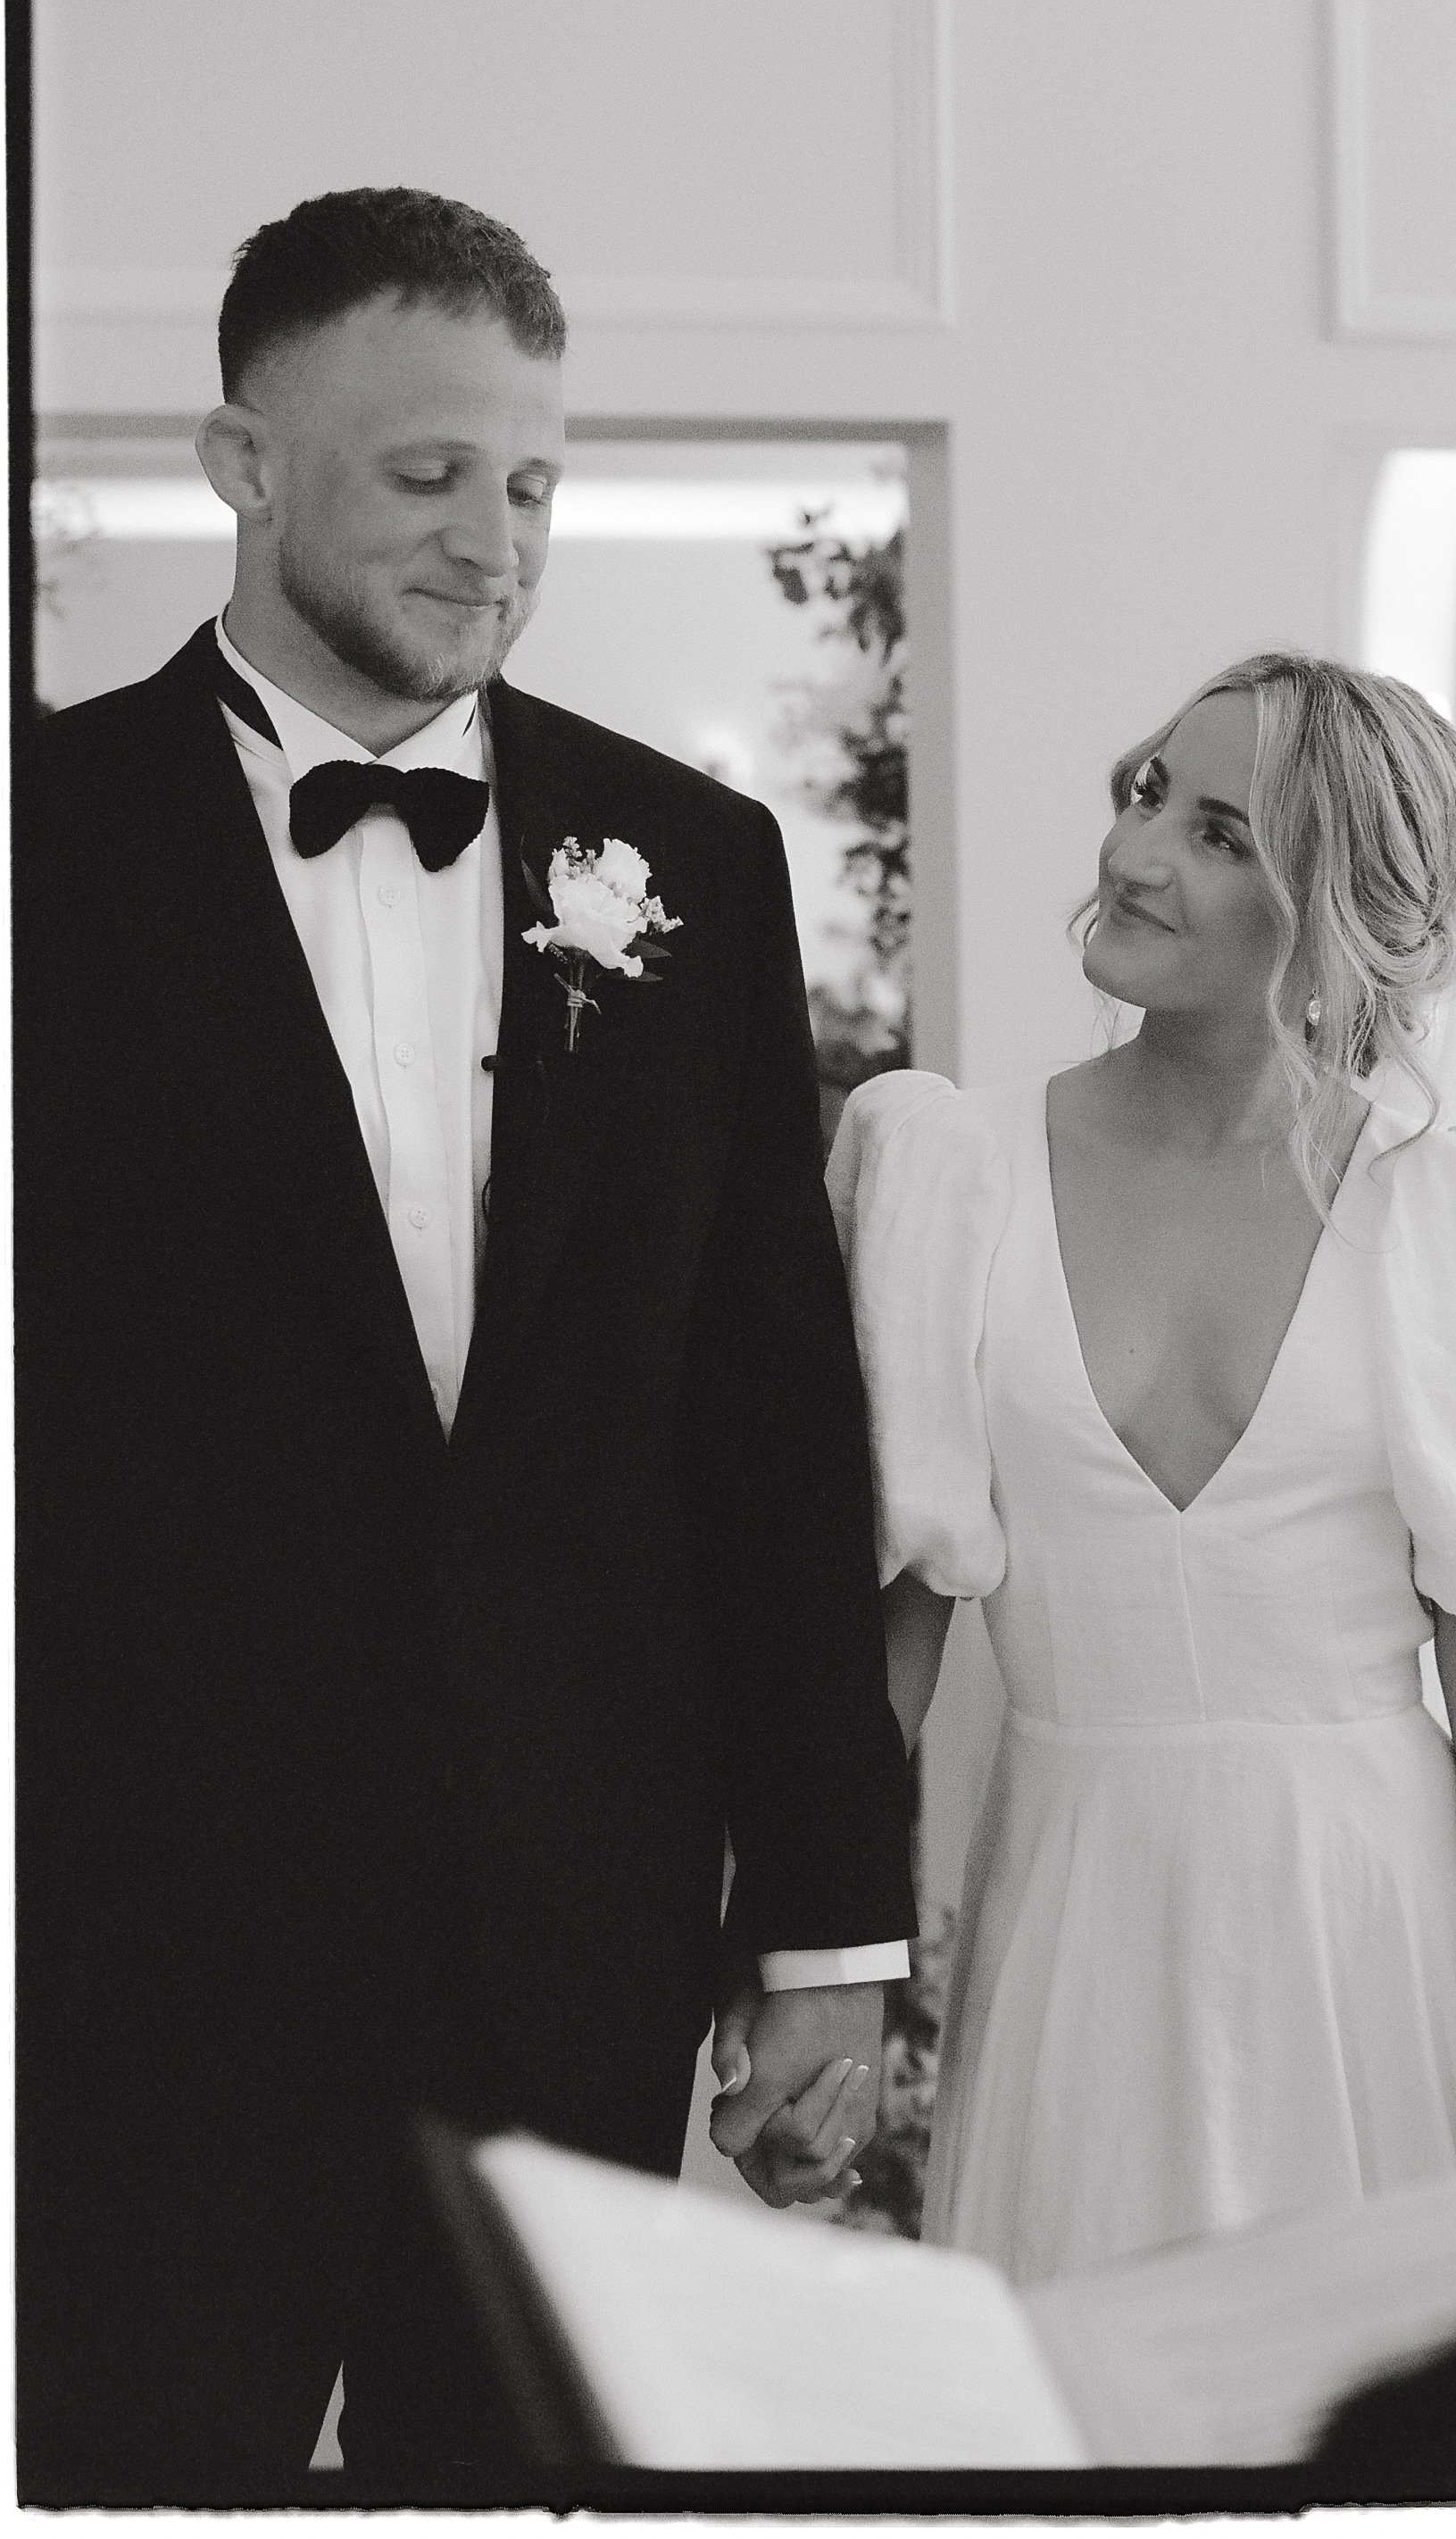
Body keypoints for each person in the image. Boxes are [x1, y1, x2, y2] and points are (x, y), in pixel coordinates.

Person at [15, 187, 916, 2501]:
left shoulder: (686, 860)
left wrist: (827, 1909)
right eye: (426, 474)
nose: (493, 540)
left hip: (572, 1913)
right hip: (129, 1932)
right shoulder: (42, 849)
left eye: (530, 481)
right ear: (241, 459)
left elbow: (771, 1424)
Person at [823, 654, 1456, 2285]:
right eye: (1148, 792)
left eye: (1221, 833)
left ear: (1338, 909)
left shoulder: (1453, 1209)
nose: (1138, 854)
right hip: (1073, 1909)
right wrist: (817, 1974)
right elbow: (889, 1658)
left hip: (1369, 1928)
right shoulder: (947, 1166)